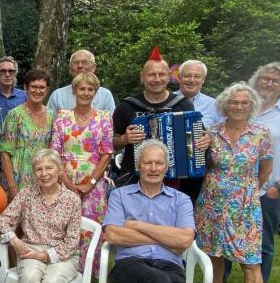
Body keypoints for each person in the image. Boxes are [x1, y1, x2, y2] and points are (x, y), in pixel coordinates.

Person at [103, 140, 204, 283]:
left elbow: (184, 240)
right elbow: (113, 235)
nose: (153, 168)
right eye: (147, 162)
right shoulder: (120, 195)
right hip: (130, 267)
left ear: (166, 168)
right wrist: (165, 237)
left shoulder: (181, 200)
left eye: (159, 163)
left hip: (170, 269)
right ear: (139, 165)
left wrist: (137, 225)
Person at [224, 62, 280, 283]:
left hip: (266, 192)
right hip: (231, 189)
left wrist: (278, 189)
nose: (269, 83)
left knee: (262, 243)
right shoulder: (241, 107)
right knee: (225, 239)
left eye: (275, 80)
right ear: (256, 79)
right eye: (265, 77)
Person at [194, 83, 273, 283]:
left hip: (245, 206)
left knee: (251, 261)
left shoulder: (261, 134)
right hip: (212, 203)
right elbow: (199, 162)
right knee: (213, 250)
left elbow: (265, 170)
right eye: (234, 102)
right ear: (225, 105)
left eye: (244, 102)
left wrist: (247, 191)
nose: (238, 106)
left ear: (251, 106)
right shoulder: (212, 133)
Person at [0, 149, 81, 283]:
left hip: (62, 255)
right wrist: (14, 240)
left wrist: (44, 256)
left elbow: (72, 242)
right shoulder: (27, 194)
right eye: (39, 169)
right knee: (30, 276)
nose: (44, 174)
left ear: (59, 170)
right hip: (29, 249)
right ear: (34, 173)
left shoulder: (72, 200)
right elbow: (2, 221)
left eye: (49, 168)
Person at [112, 47, 208, 201]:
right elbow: (110, 143)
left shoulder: (183, 105)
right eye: (151, 74)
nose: (157, 79)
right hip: (134, 177)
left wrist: (204, 140)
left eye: (162, 74)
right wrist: (124, 139)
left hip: (174, 179)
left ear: (169, 77)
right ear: (142, 77)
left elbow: (200, 138)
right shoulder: (127, 106)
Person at [51, 73, 113, 275]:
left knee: (90, 227)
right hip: (64, 179)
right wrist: (67, 183)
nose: (85, 93)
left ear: (95, 93)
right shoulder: (61, 117)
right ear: (74, 91)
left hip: (93, 183)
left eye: (90, 89)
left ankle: (87, 272)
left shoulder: (104, 118)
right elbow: (55, 151)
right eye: (82, 89)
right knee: (62, 224)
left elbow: (106, 153)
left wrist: (91, 182)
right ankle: (61, 267)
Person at [0, 68, 55, 200]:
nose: (37, 91)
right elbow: (4, 153)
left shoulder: (51, 115)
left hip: (42, 177)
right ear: (26, 88)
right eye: (34, 87)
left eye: (41, 87)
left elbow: (52, 149)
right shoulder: (15, 115)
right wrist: (12, 186)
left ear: (47, 90)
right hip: (17, 178)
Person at [47, 49, 115, 113]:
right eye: (75, 62)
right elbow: (50, 124)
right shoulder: (58, 96)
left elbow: (111, 123)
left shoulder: (105, 95)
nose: (80, 66)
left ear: (93, 67)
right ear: (70, 68)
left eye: (84, 62)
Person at [176, 60, 222, 128]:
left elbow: (223, 134)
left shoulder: (215, 106)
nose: (192, 80)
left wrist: (211, 137)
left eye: (197, 76)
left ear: (203, 79)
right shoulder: (167, 100)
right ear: (179, 77)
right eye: (187, 76)